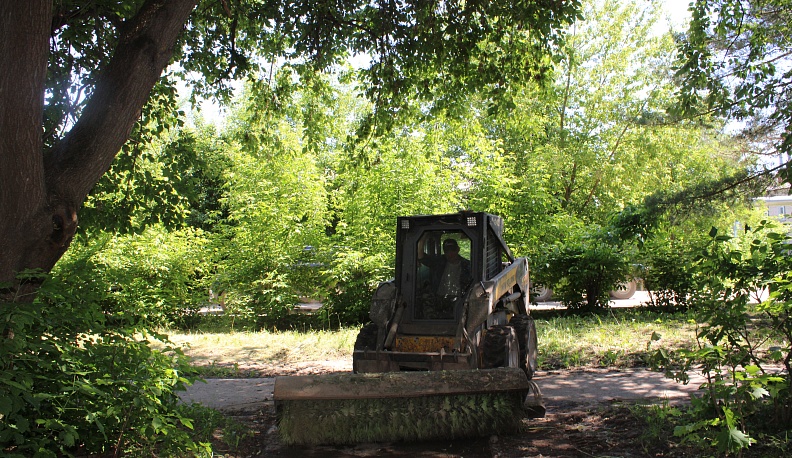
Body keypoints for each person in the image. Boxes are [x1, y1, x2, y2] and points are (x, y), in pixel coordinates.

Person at [417, 237, 472, 318]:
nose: (450, 253)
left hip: (459, 300)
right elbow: (421, 256)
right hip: (439, 299)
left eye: (452, 250)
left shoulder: (467, 266)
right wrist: (423, 236)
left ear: (458, 249)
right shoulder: (439, 262)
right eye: (447, 251)